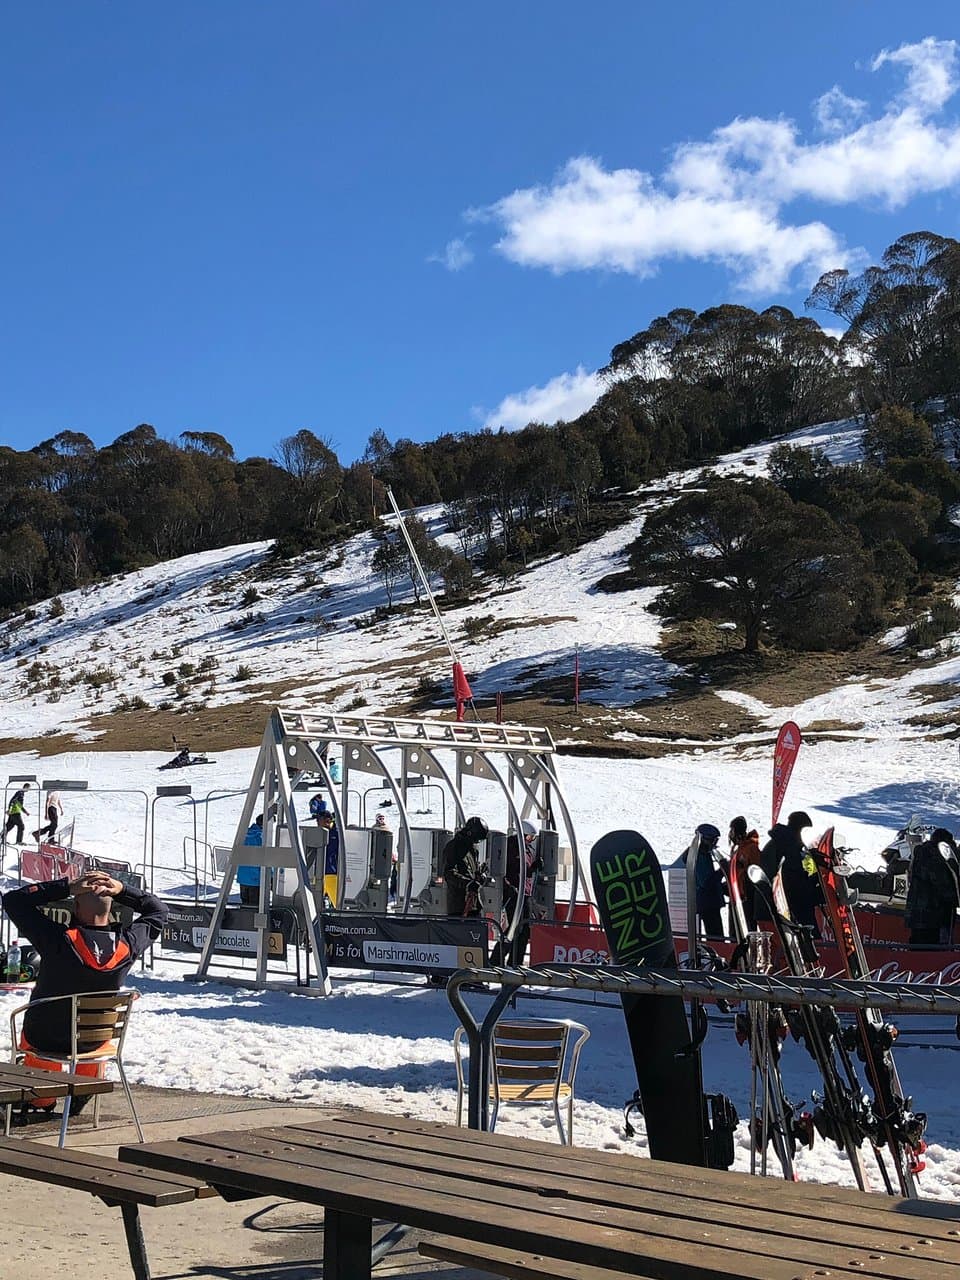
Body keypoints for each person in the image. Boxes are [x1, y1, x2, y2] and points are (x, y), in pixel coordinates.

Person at [1, 869, 167, 1116]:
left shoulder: (58, 939)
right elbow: (159, 911)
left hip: (44, 1037)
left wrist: (66, 886)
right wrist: (122, 889)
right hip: (94, 1041)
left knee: (36, 1028)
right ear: (110, 910)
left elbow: (14, 900)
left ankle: (40, 1099)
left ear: (75, 908)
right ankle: (84, 1087)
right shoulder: (127, 944)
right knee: (93, 1026)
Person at [761, 811, 820, 934]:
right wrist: (815, 882)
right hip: (780, 910)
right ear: (799, 829)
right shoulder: (788, 846)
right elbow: (795, 882)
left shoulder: (781, 842)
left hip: (772, 908)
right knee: (808, 936)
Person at [492, 820, 540, 965]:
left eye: (533, 838)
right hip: (514, 893)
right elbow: (507, 870)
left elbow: (524, 871)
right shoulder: (510, 847)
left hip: (524, 892)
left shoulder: (527, 849)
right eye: (528, 837)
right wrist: (510, 887)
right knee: (516, 927)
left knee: (524, 929)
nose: (530, 841)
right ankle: (497, 958)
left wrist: (534, 868)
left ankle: (515, 961)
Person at [906, 828, 960, 945]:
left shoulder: (921, 854)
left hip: (917, 914)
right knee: (934, 953)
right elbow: (943, 886)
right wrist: (955, 898)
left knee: (917, 951)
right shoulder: (935, 859)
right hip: (934, 916)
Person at [442, 816, 489, 918]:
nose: (476, 842)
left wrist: (480, 876)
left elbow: (473, 871)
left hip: (473, 904)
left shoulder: (472, 849)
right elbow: (449, 873)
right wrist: (468, 884)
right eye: (476, 839)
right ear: (470, 833)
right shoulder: (454, 847)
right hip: (459, 906)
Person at [728, 815, 763, 930]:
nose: (730, 835)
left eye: (732, 831)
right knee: (734, 931)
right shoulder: (737, 849)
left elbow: (756, 871)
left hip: (746, 897)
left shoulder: (751, 848)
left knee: (747, 929)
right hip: (735, 894)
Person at [693, 823, 726, 940]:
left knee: (717, 934)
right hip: (707, 903)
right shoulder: (698, 856)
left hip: (710, 902)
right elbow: (706, 882)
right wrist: (722, 871)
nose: (714, 844)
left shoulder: (705, 854)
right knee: (715, 936)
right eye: (712, 841)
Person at [237, 814, 265, 906]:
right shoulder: (261, 838)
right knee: (255, 908)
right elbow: (266, 858)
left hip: (243, 877)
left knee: (245, 906)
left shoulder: (244, 835)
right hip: (255, 879)